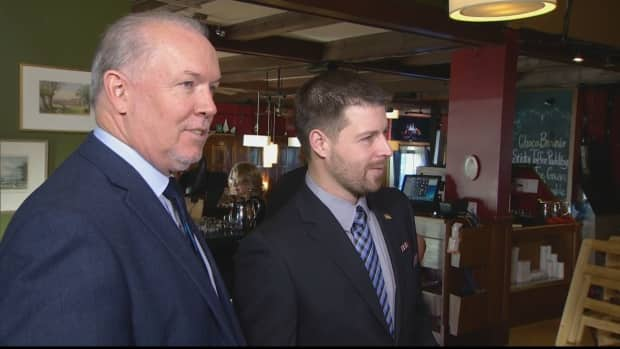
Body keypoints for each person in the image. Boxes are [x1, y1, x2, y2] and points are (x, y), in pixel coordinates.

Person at [0, 12, 245, 346]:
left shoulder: (161, 192)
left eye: (212, 89)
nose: (210, 106)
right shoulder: (63, 226)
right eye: (188, 84)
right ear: (119, 91)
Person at [233, 70, 436, 346]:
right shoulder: (271, 250)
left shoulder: (397, 208)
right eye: (368, 138)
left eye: (383, 134)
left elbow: (416, 320)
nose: (386, 150)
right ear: (320, 143)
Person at [219, 162, 266, 227]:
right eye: (233, 180)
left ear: (251, 184)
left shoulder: (257, 202)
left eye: (240, 181)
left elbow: (248, 223)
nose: (234, 184)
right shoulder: (233, 199)